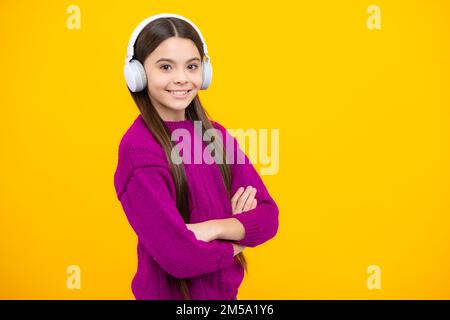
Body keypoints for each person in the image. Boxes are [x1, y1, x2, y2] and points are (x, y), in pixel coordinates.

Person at [114, 13, 279, 300]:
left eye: (191, 66)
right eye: (165, 66)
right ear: (138, 74)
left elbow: (267, 217)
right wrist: (237, 239)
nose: (181, 79)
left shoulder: (215, 136)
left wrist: (211, 229)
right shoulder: (139, 150)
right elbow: (180, 257)